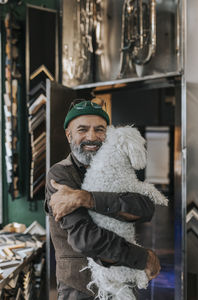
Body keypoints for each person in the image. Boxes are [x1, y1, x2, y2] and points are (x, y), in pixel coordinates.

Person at [45, 99, 160, 300]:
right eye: (82, 129)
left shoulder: (121, 166)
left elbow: (145, 209)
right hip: (81, 289)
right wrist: (143, 258)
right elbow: (85, 239)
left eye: (100, 129)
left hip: (122, 283)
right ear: (68, 134)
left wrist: (86, 198)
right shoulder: (60, 175)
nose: (92, 137)